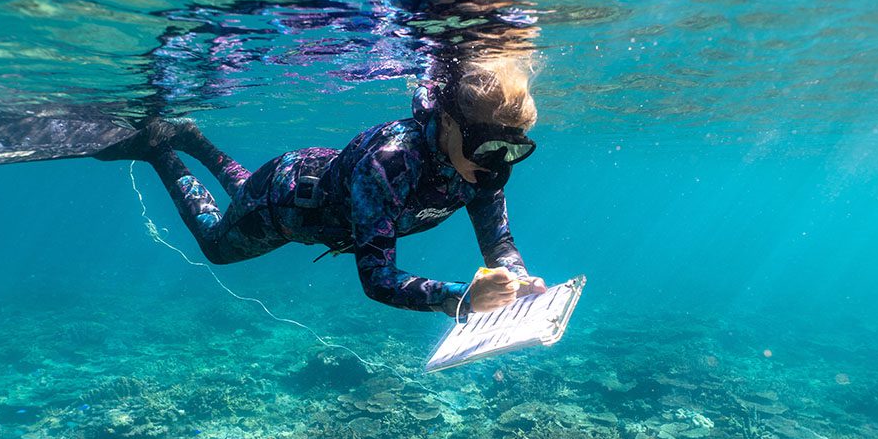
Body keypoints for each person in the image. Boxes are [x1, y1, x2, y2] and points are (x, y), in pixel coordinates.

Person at [97, 58, 546, 317]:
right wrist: (460, 299)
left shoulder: (481, 165)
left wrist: (518, 280)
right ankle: (161, 151)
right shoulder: (390, 164)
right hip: (285, 205)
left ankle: (194, 138)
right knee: (217, 244)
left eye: (511, 152)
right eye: (486, 148)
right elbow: (378, 280)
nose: (496, 167)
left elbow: (498, 240)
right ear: (449, 122)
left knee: (242, 191)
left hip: (303, 176)